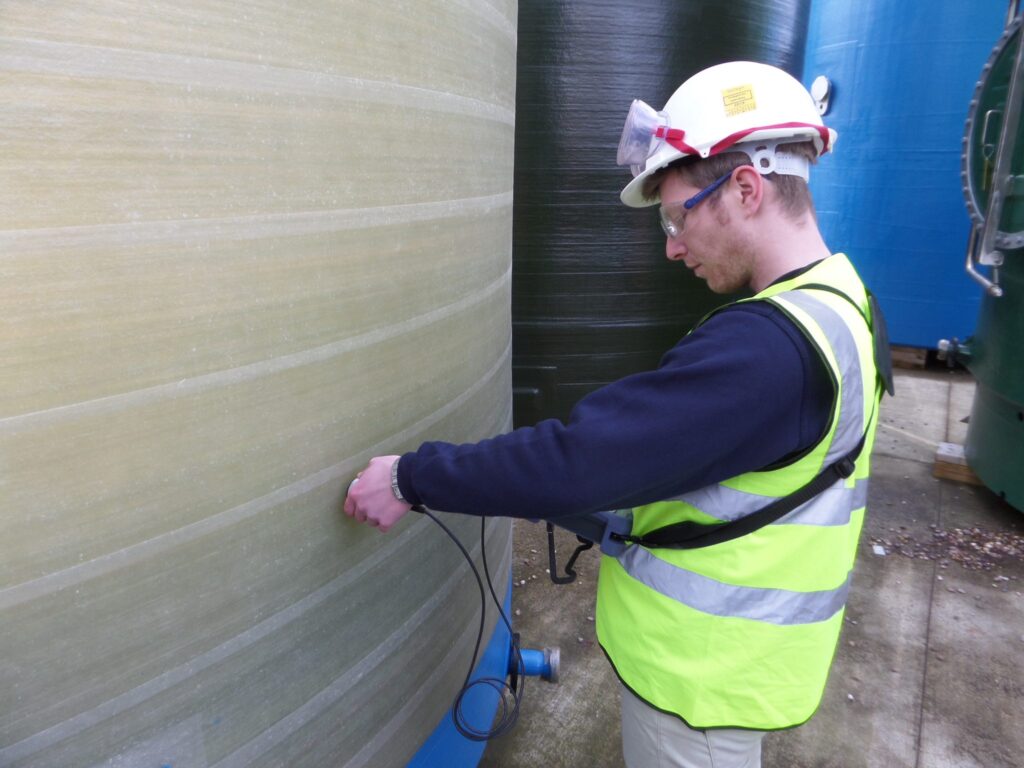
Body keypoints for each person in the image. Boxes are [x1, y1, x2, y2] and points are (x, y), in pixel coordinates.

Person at [344, 61, 888, 768]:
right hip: (741, 668)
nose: (671, 245)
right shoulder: (844, 301)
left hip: (699, 691)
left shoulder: (766, 351)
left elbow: (578, 461)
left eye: (677, 214)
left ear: (746, 189)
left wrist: (411, 479)